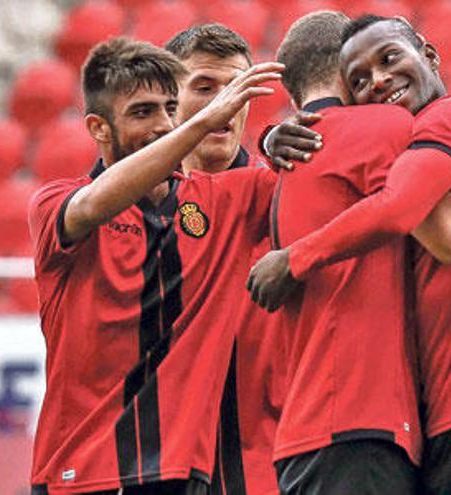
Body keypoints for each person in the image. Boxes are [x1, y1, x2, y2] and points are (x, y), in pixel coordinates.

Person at [249, 15, 451, 494]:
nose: (379, 80)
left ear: (429, 54)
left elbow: (449, 235)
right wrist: (270, 137)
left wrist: (296, 256)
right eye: (358, 80)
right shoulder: (405, 139)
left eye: (389, 58)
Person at [27, 36, 283, 494]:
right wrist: (200, 123)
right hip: (83, 471)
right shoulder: (56, 203)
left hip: (177, 473)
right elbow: (90, 206)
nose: (164, 124)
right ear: (99, 127)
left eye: (169, 109)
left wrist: (275, 136)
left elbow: (318, 176)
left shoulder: (218, 202)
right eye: (143, 113)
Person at [164, 24, 283, 495]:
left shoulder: (282, 197)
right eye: (205, 88)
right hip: (168, 465)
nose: (224, 104)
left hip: (271, 465)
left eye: (237, 87)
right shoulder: (139, 206)